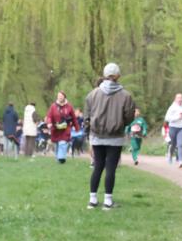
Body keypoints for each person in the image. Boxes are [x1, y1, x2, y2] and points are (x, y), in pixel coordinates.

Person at [84, 62, 136, 209]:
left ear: (105, 75)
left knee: (97, 166)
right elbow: (129, 117)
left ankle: (92, 200)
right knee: (111, 168)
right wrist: (120, 124)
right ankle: (107, 201)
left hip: (97, 135)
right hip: (116, 137)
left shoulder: (93, 94)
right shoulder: (126, 96)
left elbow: (87, 116)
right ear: (118, 76)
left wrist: (90, 131)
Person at [46, 91, 77, 164]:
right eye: (59, 96)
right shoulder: (53, 106)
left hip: (65, 128)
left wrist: (76, 126)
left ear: (64, 97)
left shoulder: (69, 106)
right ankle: (58, 158)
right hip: (56, 128)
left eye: (61, 96)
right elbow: (49, 116)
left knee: (62, 143)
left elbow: (74, 117)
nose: (60, 97)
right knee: (57, 144)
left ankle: (61, 158)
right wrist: (49, 123)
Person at [163, 92, 182, 168]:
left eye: (181, 98)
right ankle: (170, 156)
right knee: (173, 144)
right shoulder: (172, 107)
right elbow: (167, 118)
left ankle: (180, 161)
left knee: (180, 144)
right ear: (175, 99)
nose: (180, 99)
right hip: (173, 127)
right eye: (178, 98)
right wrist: (178, 117)